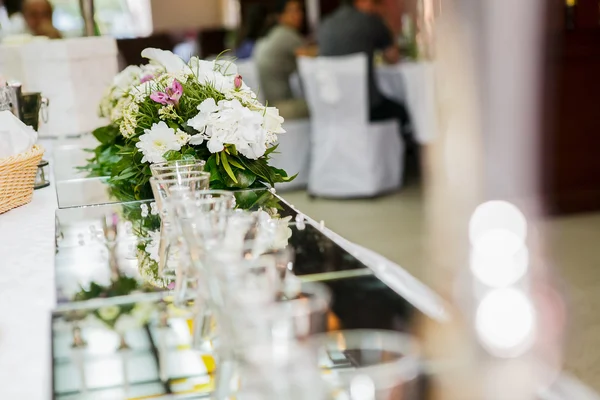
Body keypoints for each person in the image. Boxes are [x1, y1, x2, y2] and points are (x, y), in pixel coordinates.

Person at [318, 0, 411, 141]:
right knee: (406, 112)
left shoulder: (325, 24)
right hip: (367, 108)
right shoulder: (370, 21)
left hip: (333, 108)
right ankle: (401, 159)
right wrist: (385, 20)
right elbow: (393, 57)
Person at [254, 0, 310, 119]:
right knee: (322, 104)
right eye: (292, 11)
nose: (298, 14)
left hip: (266, 106)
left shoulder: (272, 34)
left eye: (299, 10)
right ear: (280, 16)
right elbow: (310, 57)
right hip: (281, 107)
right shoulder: (287, 35)